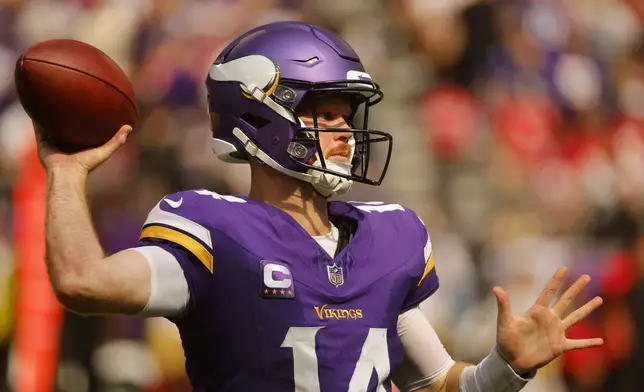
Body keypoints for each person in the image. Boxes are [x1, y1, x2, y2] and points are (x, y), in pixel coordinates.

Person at [36, 21, 603, 392]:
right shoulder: (211, 230)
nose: (344, 133)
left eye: (347, 116)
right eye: (324, 114)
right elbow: (83, 282)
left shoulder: (391, 236)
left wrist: (506, 368)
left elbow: (435, 383)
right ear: (259, 114)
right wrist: (65, 172)